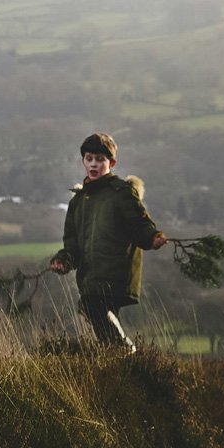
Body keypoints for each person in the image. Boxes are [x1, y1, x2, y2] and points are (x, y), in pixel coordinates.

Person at [49, 132, 166, 349]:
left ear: (111, 163)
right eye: (89, 158)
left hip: (116, 271)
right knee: (95, 311)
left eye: (100, 159)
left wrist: (152, 237)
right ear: (83, 161)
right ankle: (119, 357)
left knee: (91, 305)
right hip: (91, 274)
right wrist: (63, 260)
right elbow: (72, 243)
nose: (94, 164)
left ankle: (125, 349)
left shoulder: (121, 192)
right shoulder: (78, 201)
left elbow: (139, 223)